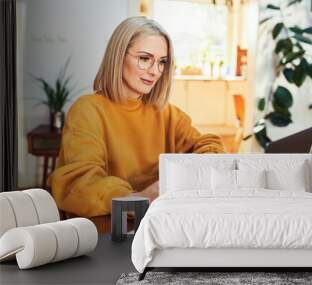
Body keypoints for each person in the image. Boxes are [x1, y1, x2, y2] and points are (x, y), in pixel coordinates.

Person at [49, 17, 226, 218]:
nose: (154, 71)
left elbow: (209, 146)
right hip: (106, 232)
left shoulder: (166, 113)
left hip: (159, 225)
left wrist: (195, 173)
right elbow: (80, 183)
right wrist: (138, 198)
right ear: (118, 56)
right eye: (144, 59)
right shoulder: (87, 110)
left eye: (162, 62)